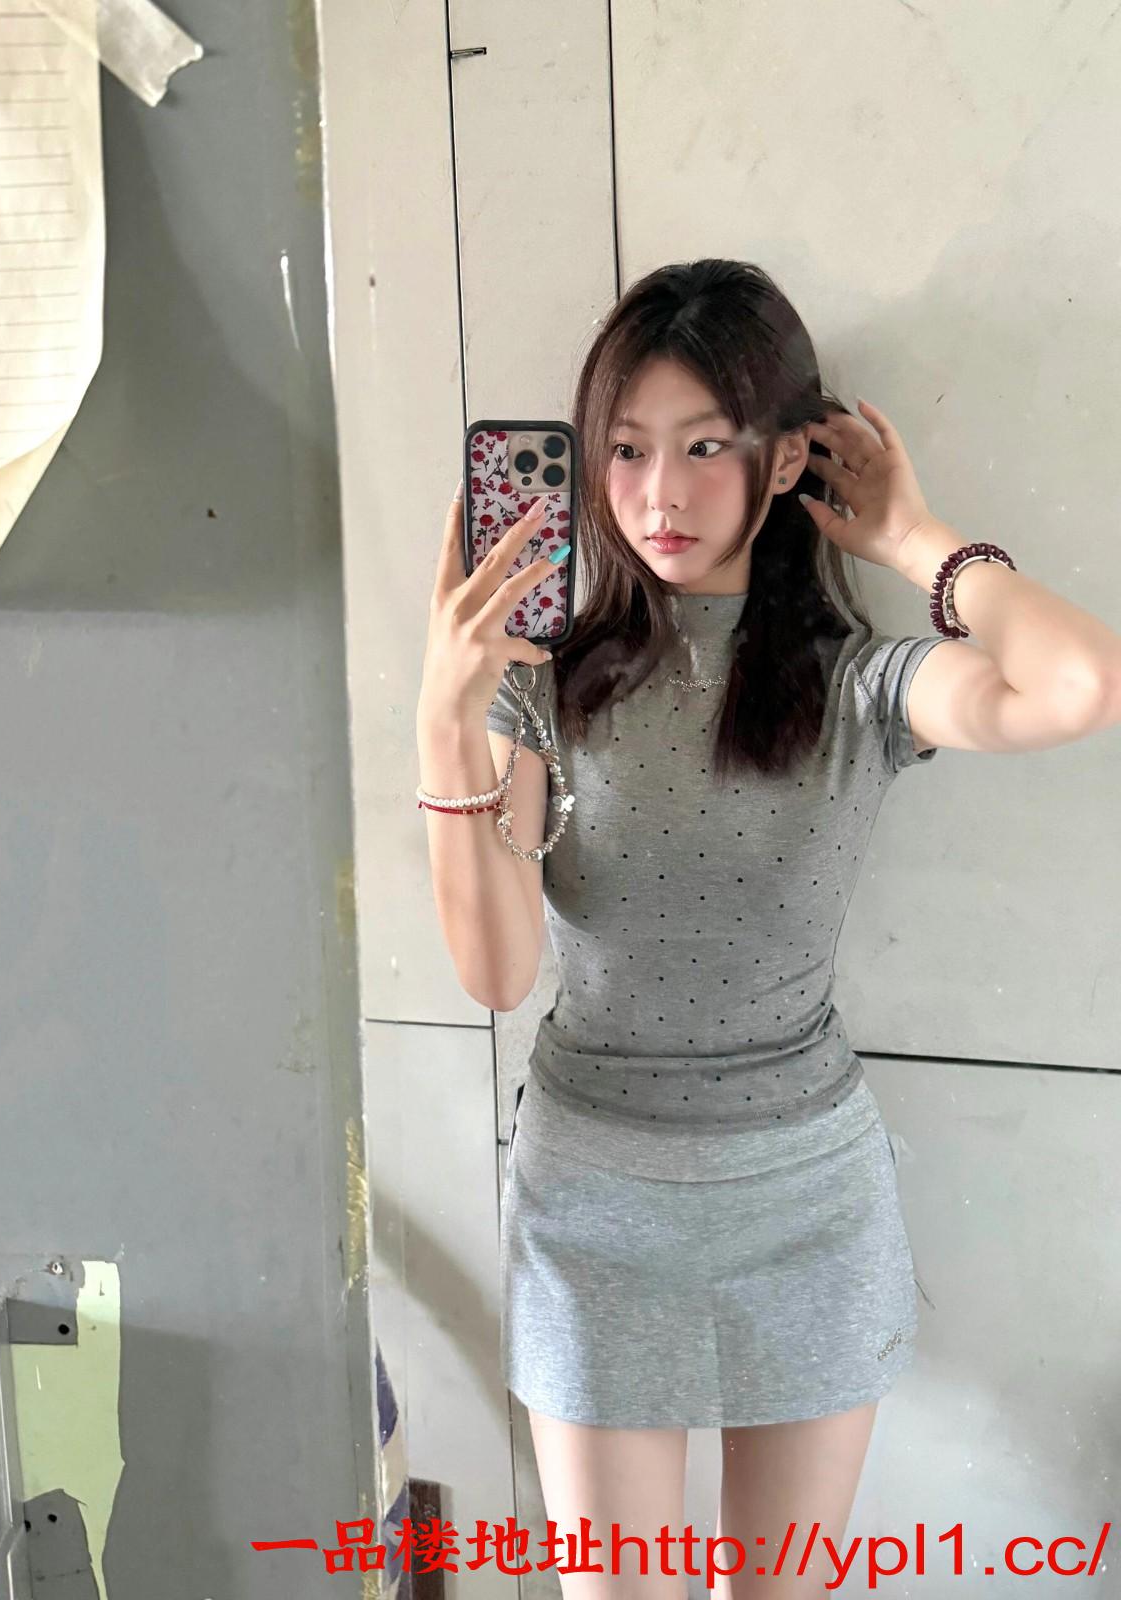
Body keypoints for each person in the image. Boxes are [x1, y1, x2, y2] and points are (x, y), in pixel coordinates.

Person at [415, 259, 1121, 1599]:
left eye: (705, 447)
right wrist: (442, 716)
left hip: (803, 1196)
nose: (658, 495)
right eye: (626, 449)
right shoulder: (544, 686)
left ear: (784, 457)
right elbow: (496, 971)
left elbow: (1081, 682)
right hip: (591, 1201)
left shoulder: (857, 688)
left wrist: (917, 542)